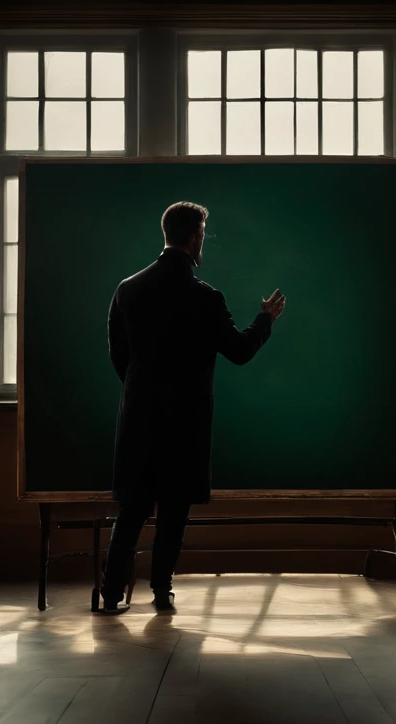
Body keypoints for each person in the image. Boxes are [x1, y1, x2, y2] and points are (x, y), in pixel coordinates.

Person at [100, 201, 285, 614]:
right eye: (203, 233)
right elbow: (238, 351)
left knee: (131, 509)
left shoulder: (127, 289)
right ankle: (161, 593)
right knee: (173, 511)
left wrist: (141, 390)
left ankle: (111, 594)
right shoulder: (204, 296)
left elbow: (119, 356)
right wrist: (265, 319)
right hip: (185, 422)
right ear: (194, 237)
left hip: (140, 417)